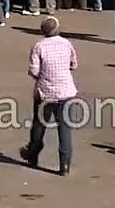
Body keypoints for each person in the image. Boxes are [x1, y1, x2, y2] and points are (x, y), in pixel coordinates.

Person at [19, 16, 77, 176]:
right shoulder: (66, 44)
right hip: (65, 92)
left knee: (39, 125)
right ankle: (64, 165)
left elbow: (34, 71)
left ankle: (33, 154)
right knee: (64, 129)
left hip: (45, 92)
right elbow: (73, 64)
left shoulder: (39, 46)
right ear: (57, 29)